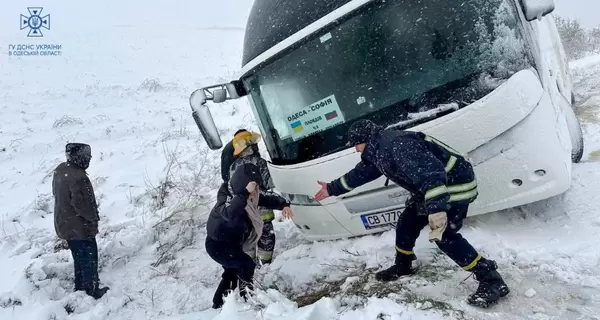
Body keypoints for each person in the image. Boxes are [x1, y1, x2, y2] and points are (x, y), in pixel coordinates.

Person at [313, 119, 509, 308]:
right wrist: (331, 188)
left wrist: (436, 211)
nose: (355, 150)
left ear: (363, 140)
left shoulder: (397, 145)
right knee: (407, 223)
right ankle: (403, 265)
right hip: (432, 190)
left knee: (444, 236)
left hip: (453, 187)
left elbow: (432, 175)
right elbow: (362, 173)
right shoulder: (378, 149)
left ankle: (491, 279)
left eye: (355, 145)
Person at [205, 163, 291, 309]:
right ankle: (248, 298)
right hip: (218, 246)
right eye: (251, 189)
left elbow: (267, 198)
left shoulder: (250, 196)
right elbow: (229, 214)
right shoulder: (226, 196)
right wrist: (244, 194)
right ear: (241, 184)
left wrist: (284, 204)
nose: (254, 193)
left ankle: (219, 304)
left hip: (233, 245)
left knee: (231, 272)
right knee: (246, 265)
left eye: (255, 188)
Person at [224, 129, 293, 265]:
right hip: (262, 208)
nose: (256, 146)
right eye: (253, 144)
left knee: (249, 238)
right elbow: (269, 182)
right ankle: (265, 264)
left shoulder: (232, 167)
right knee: (266, 236)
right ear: (248, 146)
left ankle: (249, 266)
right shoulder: (259, 162)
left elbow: (231, 189)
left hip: (244, 211)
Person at [52, 143, 109, 299]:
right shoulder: (79, 178)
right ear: (80, 158)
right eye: (87, 157)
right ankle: (91, 291)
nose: (89, 160)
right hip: (80, 227)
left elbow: (56, 194)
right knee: (89, 258)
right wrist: (93, 221)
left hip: (64, 223)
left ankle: (80, 287)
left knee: (79, 257)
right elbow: (84, 206)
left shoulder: (60, 169)